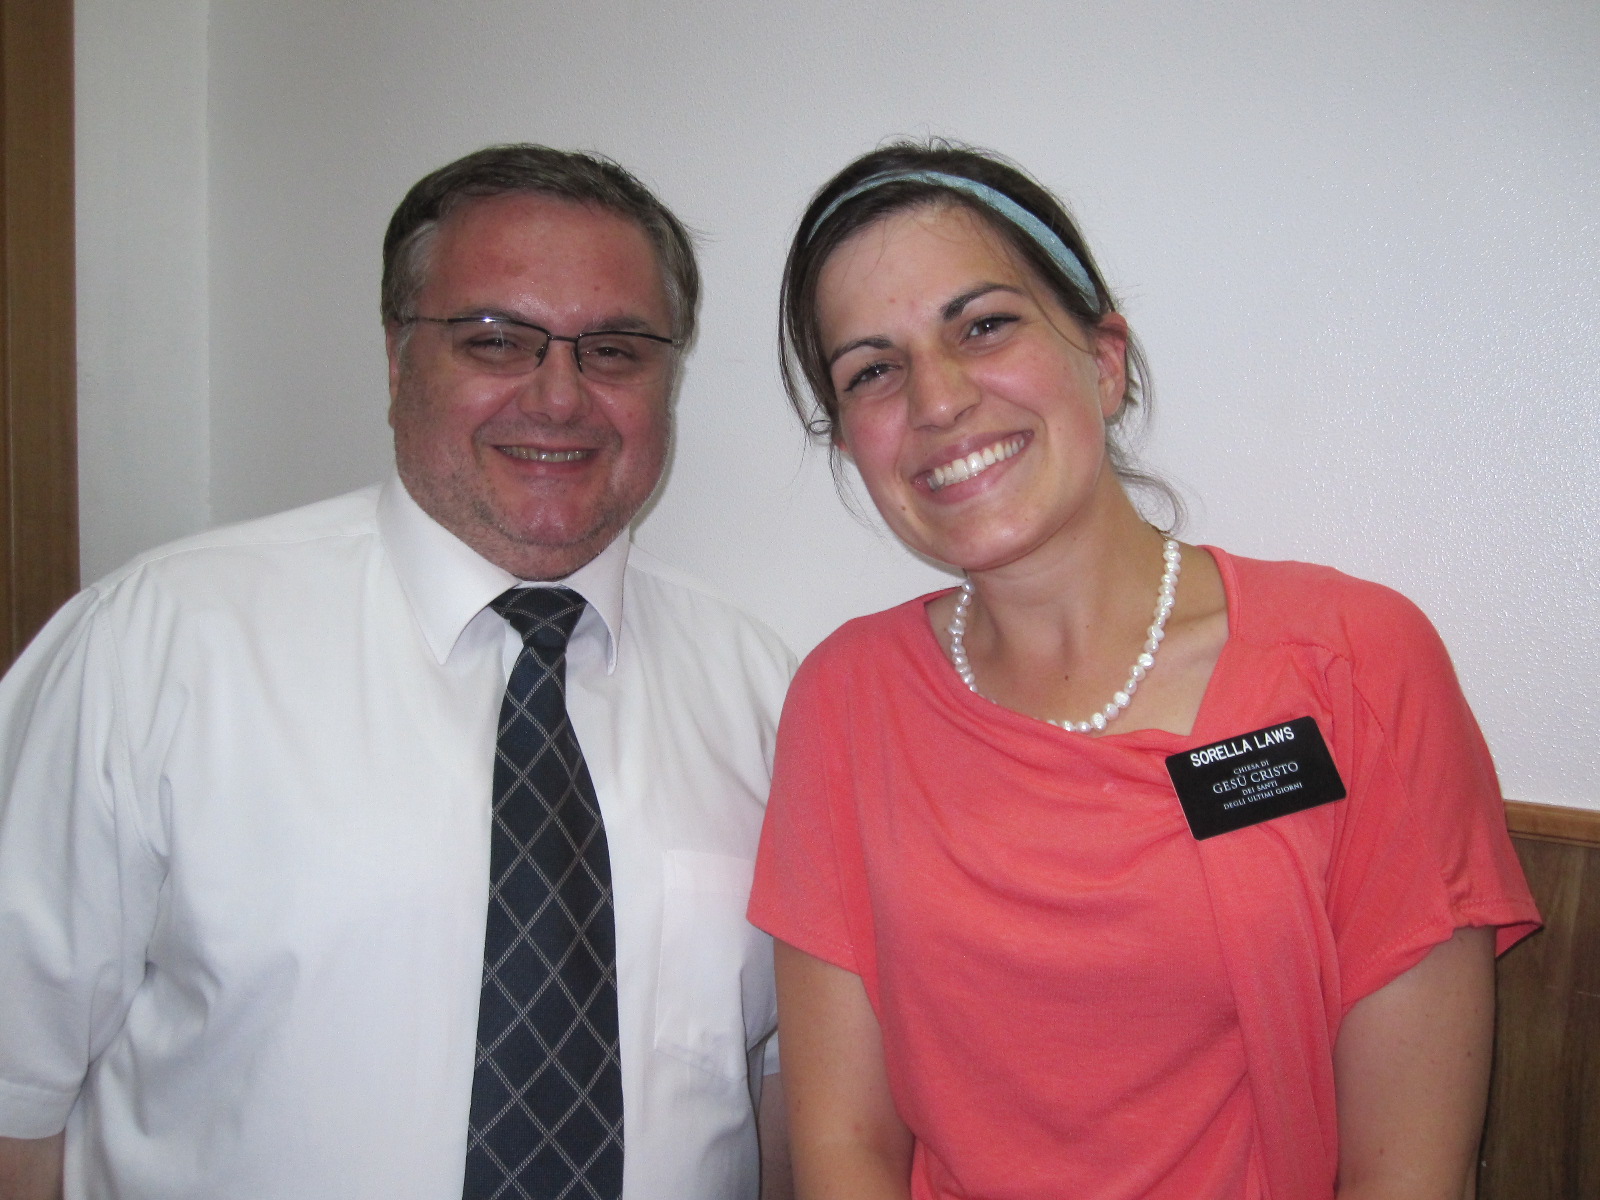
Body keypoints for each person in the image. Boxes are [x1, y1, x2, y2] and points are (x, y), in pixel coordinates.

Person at [747, 140, 1539, 1200]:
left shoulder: (1354, 664)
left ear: (1105, 358)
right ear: (851, 442)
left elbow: (1408, 1176)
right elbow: (845, 1147)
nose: (935, 401)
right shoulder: (845, 701)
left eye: (983, 326)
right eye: (873, 371)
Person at [0, 144, 793, 1200]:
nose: (559, 398)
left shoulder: (762, 693)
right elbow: (13, 1100)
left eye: (613, 350)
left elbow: (784, 1095)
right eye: (495, 340)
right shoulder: (155, 648)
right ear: (396, 358)